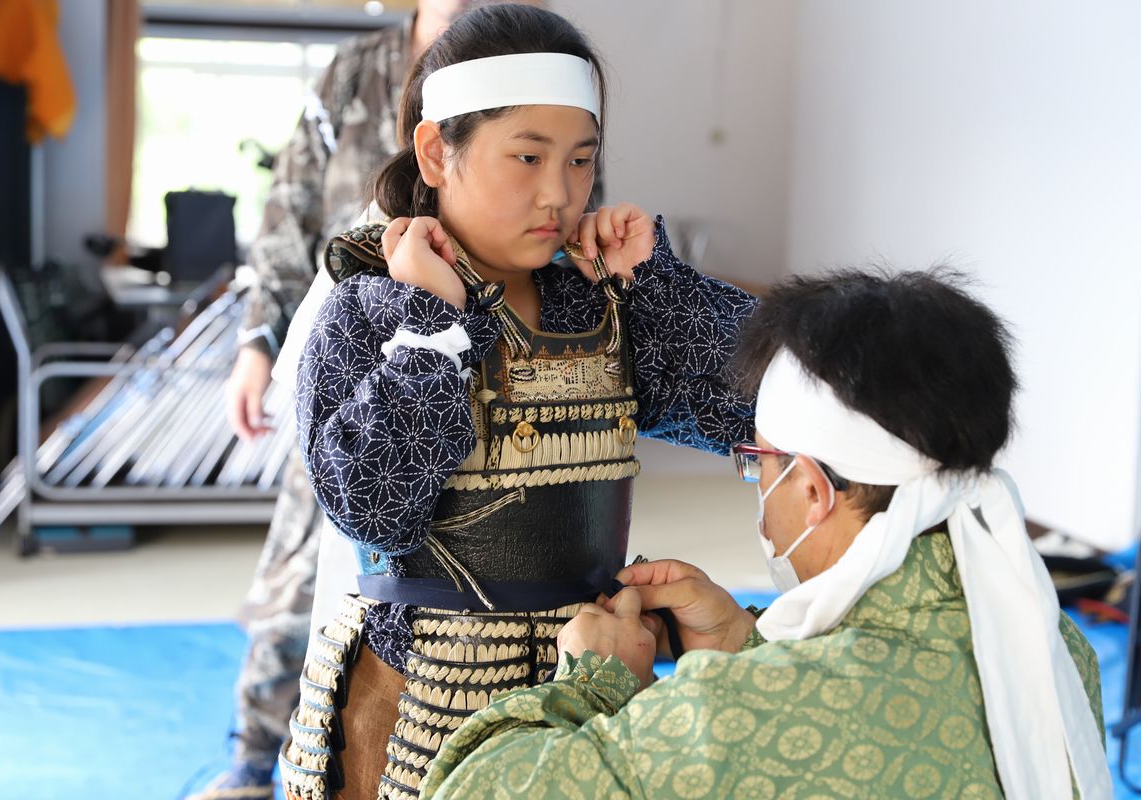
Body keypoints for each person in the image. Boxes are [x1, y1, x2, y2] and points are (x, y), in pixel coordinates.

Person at [277, 5, 757, 799]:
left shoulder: (597, 300)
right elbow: (369, 507)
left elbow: (754, 414)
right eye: (527, 157)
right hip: (425, 695)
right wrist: (431, 330)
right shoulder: (369, 308)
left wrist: (657, 286)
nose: (559, 194)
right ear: (437, 152)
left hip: (594, 669)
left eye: (580, 161)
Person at [419, 269, 1113, 800]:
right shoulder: (1048, 646)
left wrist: (590, 687)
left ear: (811, 489)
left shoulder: (734, 715)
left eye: (759, 464)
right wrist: (747, 646)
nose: (758, 484)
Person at [198, 4, 491, 798]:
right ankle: (255, 760)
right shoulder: (357, 69)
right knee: (299, 577)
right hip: (342, 359)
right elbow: (288, 213)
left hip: (472, 368)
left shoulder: (528, 52)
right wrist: (256, 343)